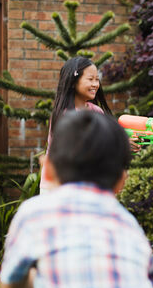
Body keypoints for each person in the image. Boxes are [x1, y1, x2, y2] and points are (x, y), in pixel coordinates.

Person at [0, 111, 153, 288]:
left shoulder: (36, 213)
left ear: (47, 170)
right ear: (121, 182)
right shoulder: (127, 223)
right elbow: (146, 277)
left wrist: (43, 272)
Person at [39, 56, 138, 193]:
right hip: (57, 184)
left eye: (97, 79)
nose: (95, 84)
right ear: (73, 82)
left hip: (85, 184)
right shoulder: (65, 116)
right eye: (90, 79)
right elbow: (80, 149)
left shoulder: (96, 111)